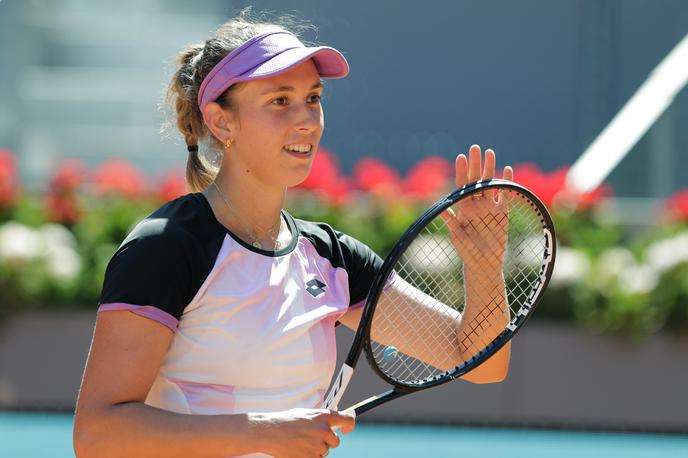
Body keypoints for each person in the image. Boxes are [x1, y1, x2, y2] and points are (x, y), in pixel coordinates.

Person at [73, 13, 513, 458]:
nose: (307, 120)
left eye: (313, 98)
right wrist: (261, 432)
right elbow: (97, 434)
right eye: (280, 101)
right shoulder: (164, 247)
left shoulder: (333, 259)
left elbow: (480, 362)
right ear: (221, 123)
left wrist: (482, 265)